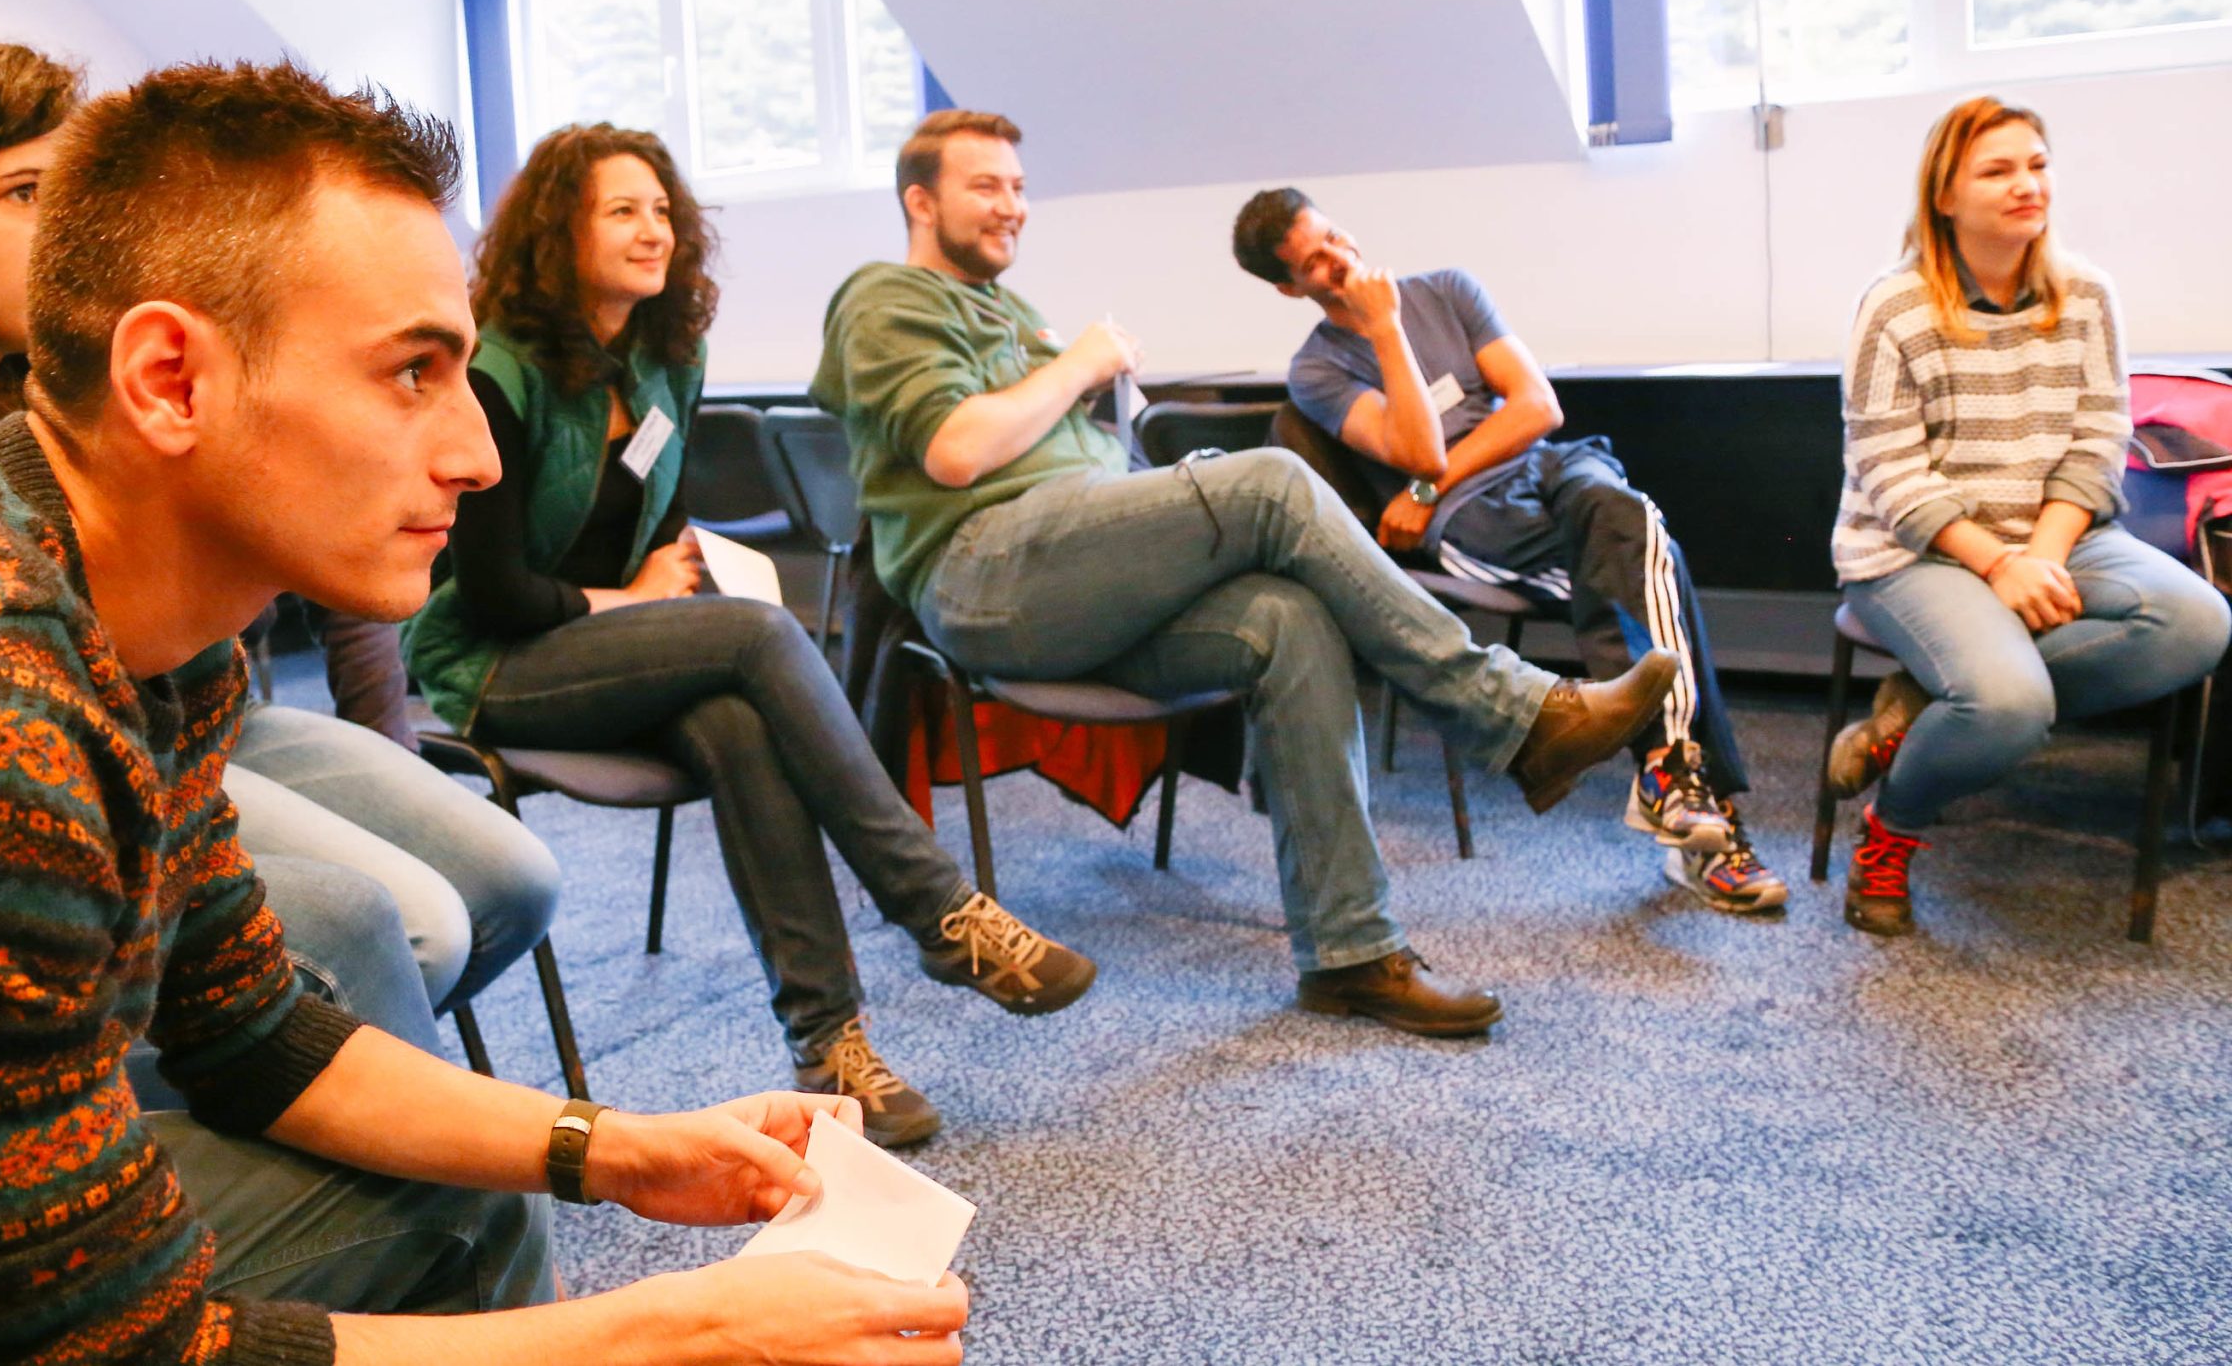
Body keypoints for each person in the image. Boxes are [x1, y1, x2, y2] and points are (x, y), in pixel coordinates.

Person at [0, 60, 969, 1365]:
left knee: (466, 1195)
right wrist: (677, 1328)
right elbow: (106, 1347)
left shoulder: (126, 607)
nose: (475, 453)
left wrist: (617, 1146)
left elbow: (249, 1025)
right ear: (170, 380)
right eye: (411, 371)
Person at [0, 29, 555, 1028]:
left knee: (503, 873)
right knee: (383, 921)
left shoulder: (21, 378)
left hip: (133, 709)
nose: (66, 226)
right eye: (25, 193)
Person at [812, 109, 1682, 1036]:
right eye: (985, 186)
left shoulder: (1011, 312)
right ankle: (1516, 713)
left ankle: (1351, 953)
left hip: (1074, 572)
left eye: (1019, 187)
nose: (1011, 205)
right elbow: (954, 451)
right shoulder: (883, 296)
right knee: (1273, 481)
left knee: (1287, 620)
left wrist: (1079, 384)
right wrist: (1081, 364)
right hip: (987, 571)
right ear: (920, 201)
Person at [404, 121, 1095, 1147]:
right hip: (496, 661)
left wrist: (656, 584)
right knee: (758, 637)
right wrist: (639, 600)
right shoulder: (497, 373)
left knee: (735, 720)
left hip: (617, 646)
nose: (654, 230)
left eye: (662, 210)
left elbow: (663, 515)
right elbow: (495, 593)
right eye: (622, 211)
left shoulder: (663, 362)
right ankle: (942, 910)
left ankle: (829, 1046)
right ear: (559, 229)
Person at [1229, 187, 1787, 915]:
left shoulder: (1449, 289)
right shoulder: (1317, 371)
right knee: (1651, 562)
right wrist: (1386, 329)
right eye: (1315, 262)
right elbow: (1419, 449)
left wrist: (1424, 490)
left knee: (1626, 517)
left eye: (1333, 236)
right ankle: (1688, 795)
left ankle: (1670, 778)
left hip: (1545, 466)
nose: (1339, 259)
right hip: (1472, 519)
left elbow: (1538, 406)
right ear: (1289, 288)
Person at [1825, 96, 2229, 934]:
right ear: (1945, 195)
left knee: (2198, 621)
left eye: (2037, 165)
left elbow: (2099, 440)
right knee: (2007, 703)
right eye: (1998, 170)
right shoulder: (1894, 306)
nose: (2027, 185)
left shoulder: (2088, 294)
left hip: (2059, 534)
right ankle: (1891, 829)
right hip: (1914, 551)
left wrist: (2039, 555)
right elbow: (1891, 472)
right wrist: (1999, 564)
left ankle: (1932, 709)